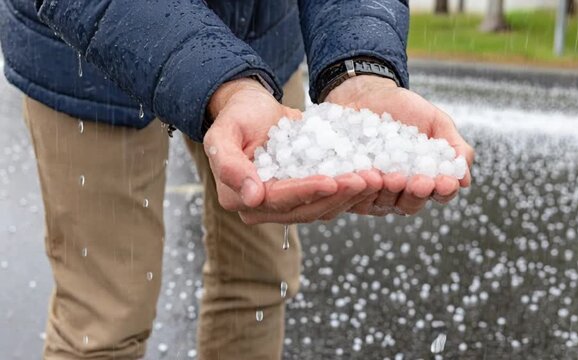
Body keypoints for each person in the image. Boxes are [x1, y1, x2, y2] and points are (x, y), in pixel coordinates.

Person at [0, 0, 474, 358]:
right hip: (83, 53)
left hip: (256, 37)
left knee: (259, 284)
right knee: (104, 318)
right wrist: (222, 84)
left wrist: (360, 65)